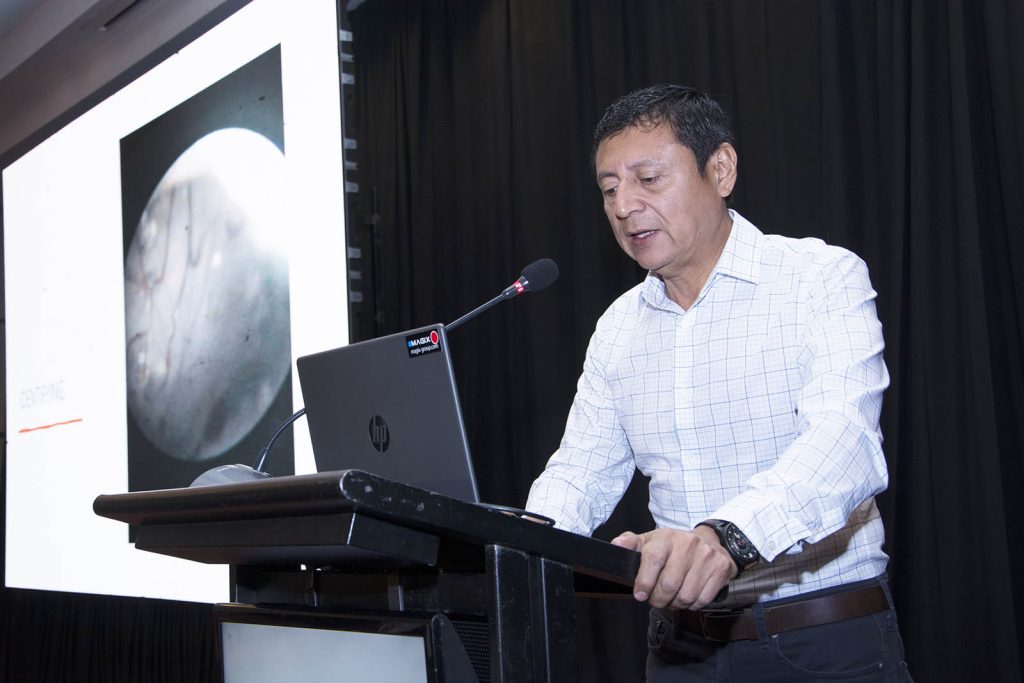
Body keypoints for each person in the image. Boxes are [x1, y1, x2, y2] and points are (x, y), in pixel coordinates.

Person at [526, 84, 912, 681]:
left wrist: (726, 540)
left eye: (648, 179)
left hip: (821, 642)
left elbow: (844, 445)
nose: (624, 206)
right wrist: (518, 544)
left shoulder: (819, 277)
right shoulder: (618, 327)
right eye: (609, 189)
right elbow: (581, 471)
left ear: (721, 169)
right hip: (677, 653)